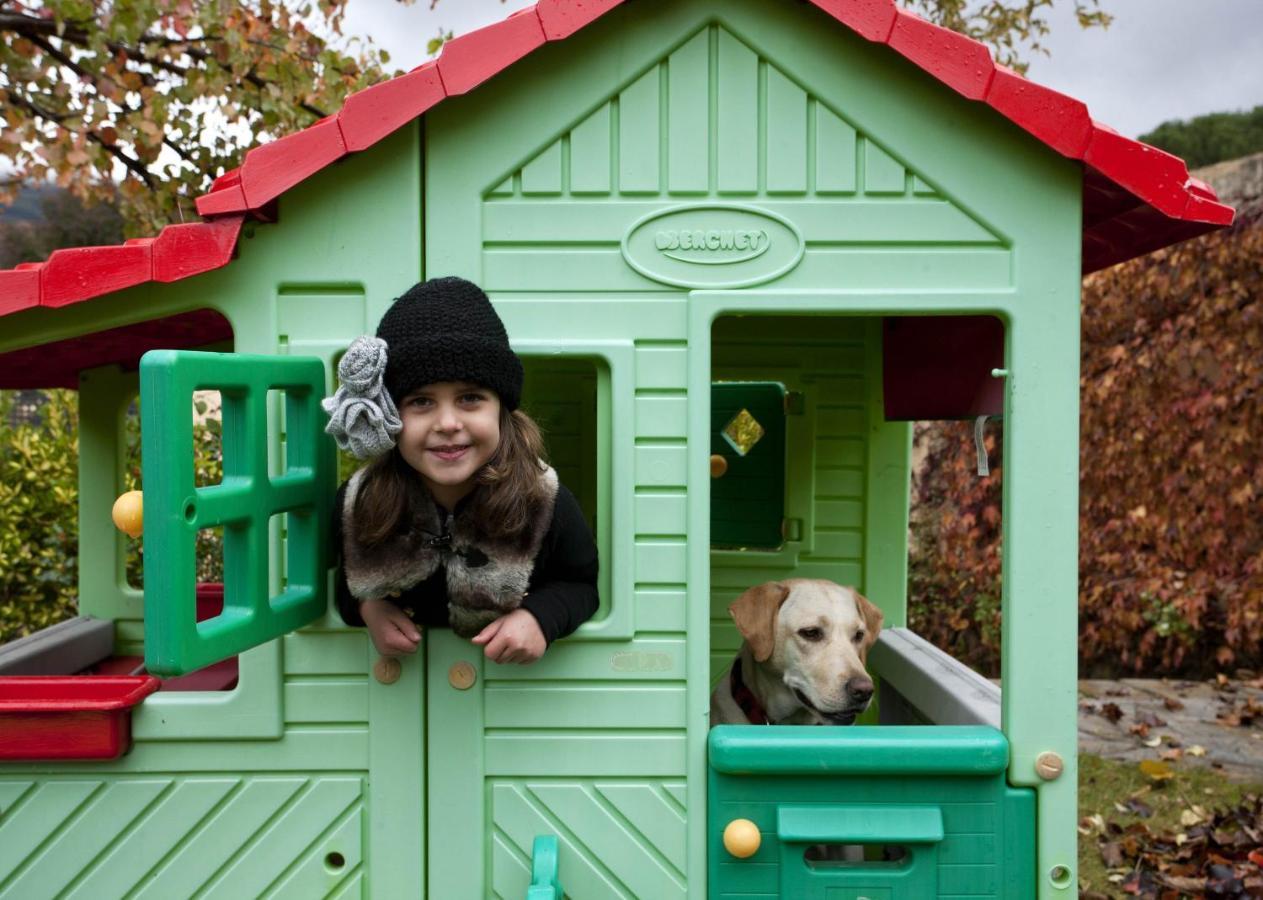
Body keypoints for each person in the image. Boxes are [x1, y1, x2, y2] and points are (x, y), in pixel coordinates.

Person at [322, 276, 599, 664]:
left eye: (470, 398)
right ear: (389, 415)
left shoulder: (544, 500)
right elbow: (341, 578)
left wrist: (540, 617)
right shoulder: (359, 501)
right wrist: (367, 608)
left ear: (501, 409)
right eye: (421, 402)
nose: (448, 423)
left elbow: (580, 584)